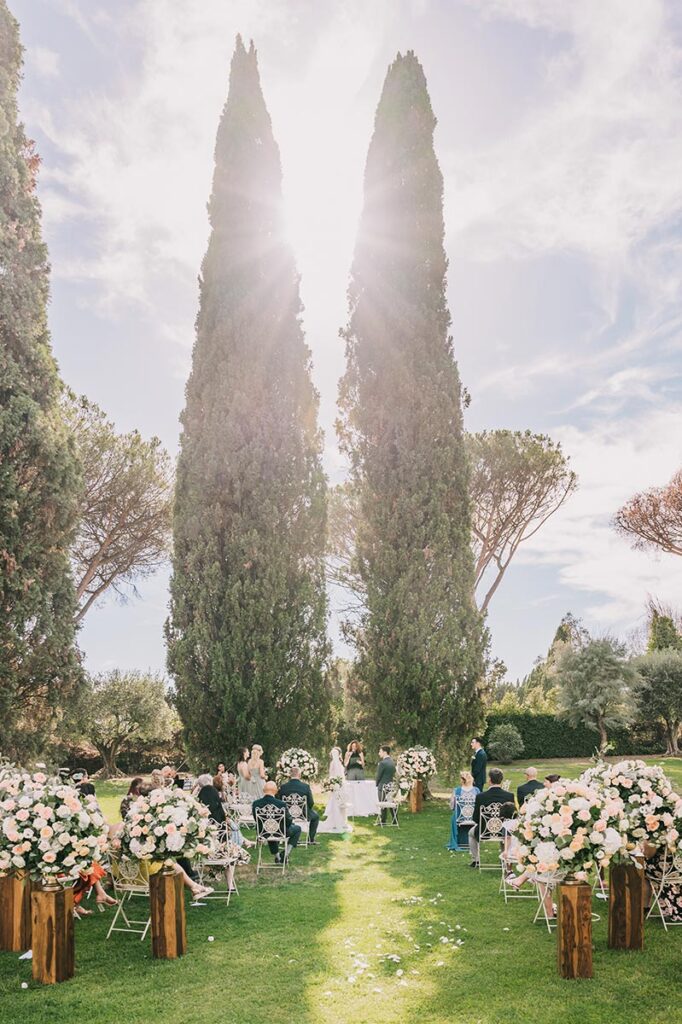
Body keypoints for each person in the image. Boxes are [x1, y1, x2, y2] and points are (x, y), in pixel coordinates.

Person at [467, 768, 514, 869]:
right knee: (506, 832)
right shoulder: (509, 795)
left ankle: (476, 860)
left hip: (484, 831)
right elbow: (510, 817)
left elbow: (475, 818)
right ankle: (505, 859)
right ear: (501, 780)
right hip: (502, 830)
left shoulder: (480, 796)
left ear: (489, 780)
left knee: (470, 833)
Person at [252, 781, 301, 864]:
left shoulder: (256, 804)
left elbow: (256, 819)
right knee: (297, 829)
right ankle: (285, 854)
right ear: (275, 791)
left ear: (264, 790)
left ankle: (278, 857)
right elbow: (288, 821)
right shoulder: (281, 804)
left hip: (263, 833)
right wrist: (289, 824)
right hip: (280, 832)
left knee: (270, 829)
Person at [278, 766, 320, 845]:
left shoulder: (283, 787)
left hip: (287, 814)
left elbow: (280, 802)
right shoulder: (305, 787)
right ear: (299, 775)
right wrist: (308, 810)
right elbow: (311, 802)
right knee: (316, 817)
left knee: (285, 817)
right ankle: (310, 839)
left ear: (290, 775)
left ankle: (288, 836)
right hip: (303, 813)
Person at [319, 748, 351, 834]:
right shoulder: (340, 763)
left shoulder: (333, 763)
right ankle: (342, 822)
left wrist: (330, 783)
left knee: (336, 802)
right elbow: (342, 776)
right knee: (340, 803)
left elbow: (331, 775)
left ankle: (335, 821)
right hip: (341, 786)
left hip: (336, 785)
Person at [447, 770, 479, 850]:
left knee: (454, 815)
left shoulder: (457, 790)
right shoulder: (476, 790)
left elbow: (452, 806)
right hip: (473, 817)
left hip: (460, 818)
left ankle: (458, 841)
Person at [375, 745, 396, 824]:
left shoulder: (382, 763)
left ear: (384, 752)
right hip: (390, 785)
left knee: (382, 803)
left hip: (382, 785)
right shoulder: (392, 762)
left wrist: (377, 784)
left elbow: (379, 775)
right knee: (390, 803)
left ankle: (383, 821)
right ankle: (394, 820)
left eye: (380, 751)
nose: (379, 753)